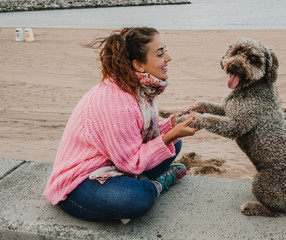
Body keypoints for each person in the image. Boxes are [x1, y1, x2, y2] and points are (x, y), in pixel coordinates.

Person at [43, 27, 199, 223]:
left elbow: (139, 138)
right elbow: (131, 163)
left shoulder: (139, 88)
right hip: (79, 183)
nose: (168, 57)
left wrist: (173, 124)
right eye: (160, 53)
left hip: (115, 161)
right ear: (138, 65)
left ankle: (143, 183)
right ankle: (157, 185)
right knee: (137, 198)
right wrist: (167, 135)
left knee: (175, 143)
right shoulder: (117, 102)